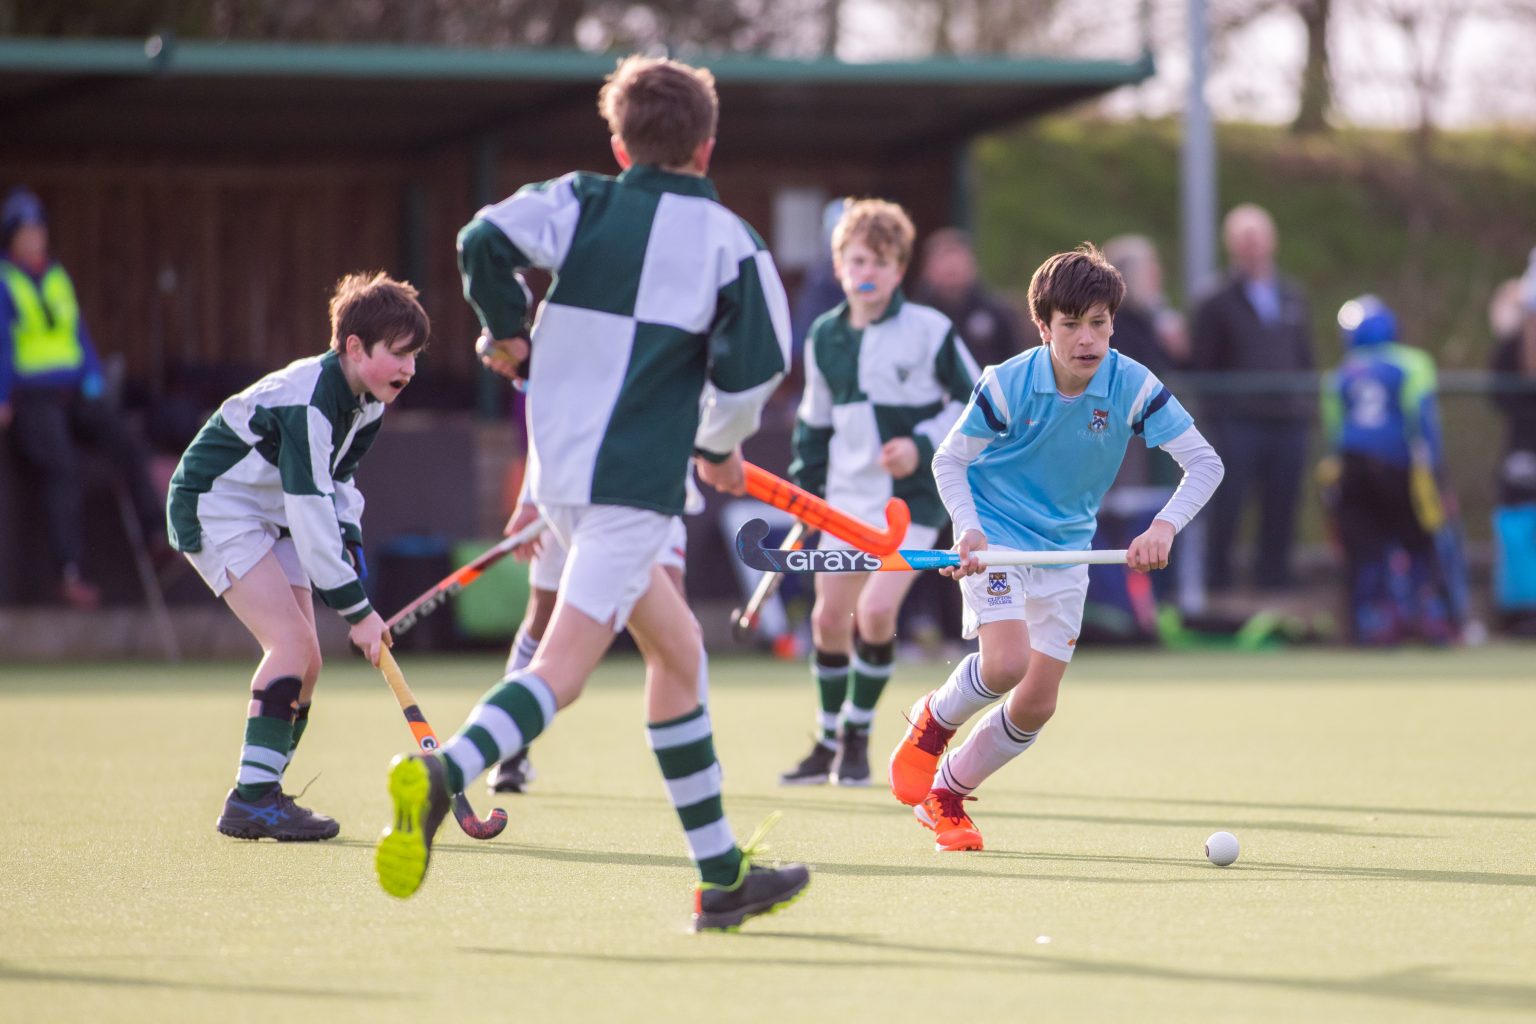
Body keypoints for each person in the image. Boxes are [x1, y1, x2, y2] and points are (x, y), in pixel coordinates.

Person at [375, 55, 809, 932]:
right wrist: (721, 447)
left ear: (619, 144)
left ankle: (722, 876)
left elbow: (479, 241)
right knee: (563, 672)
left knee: (679, 654)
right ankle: (444, 772)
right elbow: (760, 365)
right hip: (632, 488)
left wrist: (505, 328)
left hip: (562, 473)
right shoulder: (734, 242)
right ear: (707, 144)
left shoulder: (578, 199)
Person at [887, 243, 1224, 851]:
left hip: (1068, 549)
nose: (1087, 339)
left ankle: (947, 795)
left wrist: (1164, 526)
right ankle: (933, 723)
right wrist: (968, 528)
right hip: (998, 536)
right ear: (1044, 327)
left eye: (1099, 323)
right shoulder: (1008, 383)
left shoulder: (1132, 384)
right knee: (1007, 663)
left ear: (1113, 323)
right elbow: (950, 460)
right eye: (1071, 325)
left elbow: (1204, 464)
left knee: (1037, 702)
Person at [166, 271, 426, 840]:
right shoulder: (309, 403)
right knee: (288, 644)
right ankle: (252, 798)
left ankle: (266, 794)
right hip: (216, 505)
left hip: (274, 512)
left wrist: (352, 550)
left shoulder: (368, 404)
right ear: (354, 347)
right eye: (399, 354)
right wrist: (357, 612)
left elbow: (340, 486)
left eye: (415, 356)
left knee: (308, 660)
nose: (409, 368)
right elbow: (310, 515)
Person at [780, 198, 979, 788]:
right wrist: (805, 495)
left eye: (882, 262)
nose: (867, 272)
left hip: (907, 500)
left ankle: (857, 738)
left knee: (874, 610)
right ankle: (825, 739)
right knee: (827, 620)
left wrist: (920, 441)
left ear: (900, 269)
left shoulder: (930, 330)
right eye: (857, 260)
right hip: (841, 498)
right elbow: (814, 423)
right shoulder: (823, 335)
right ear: (839, 264)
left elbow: (975, 403)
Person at [0, 186, 166, 609]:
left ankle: (157, 533)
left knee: (126, 439)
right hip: (33, 397)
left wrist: (94, 379)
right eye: (26, 230)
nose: (35, 236)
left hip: (73, 391)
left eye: (39, 228)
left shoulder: (56, 277)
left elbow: (79, 335)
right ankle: (69, 571)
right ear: (12, 237)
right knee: (62, 469)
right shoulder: (6, 282)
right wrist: (3, 396)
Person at [486, 477, 704, 795]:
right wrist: (530, 498)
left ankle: (698, 755)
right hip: (573, 494)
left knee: (679, 629)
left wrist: (718, 451)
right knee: (543, 619)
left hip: (655, 493)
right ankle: (508, 755)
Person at [1190, 203, 1315, 591]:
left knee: (1282, 505)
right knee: (1227, 506)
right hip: (1237, 423)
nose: (1253, 248)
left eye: (1258, 238)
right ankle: (1218, 585)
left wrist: (1306, 409)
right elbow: (1203, 364)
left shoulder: (1292, 295)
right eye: (1245, 240)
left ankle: (1274, 582)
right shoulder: (1215, 299)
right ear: (1232, 246)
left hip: (1287, 421)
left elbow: (1304, 356)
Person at [1320, 296, 1453, 645]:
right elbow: (1423, 422)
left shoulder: (1339, 374)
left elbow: (1335, 434)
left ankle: (1372, 622)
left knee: (1366, 548)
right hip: (1399, 466)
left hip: (1353, 467)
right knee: (1418, 544)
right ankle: (1427, 616)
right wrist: (1437, 475)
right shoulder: (1414, 363)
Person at [910, 227, 1025, 370]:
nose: (952, 269)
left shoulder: (998, 315)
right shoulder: (912, 319)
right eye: (944, 262)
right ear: (927, 269)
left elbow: (1015, 367)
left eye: (958, 262)